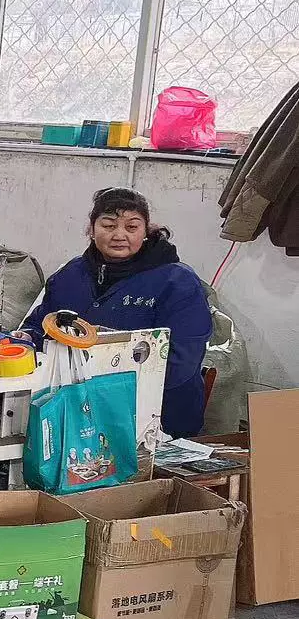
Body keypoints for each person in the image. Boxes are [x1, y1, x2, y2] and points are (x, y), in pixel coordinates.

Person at [18, 187, 212, 436]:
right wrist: (25, 339)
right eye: (108, 225)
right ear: (91, 229)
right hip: (74, 412)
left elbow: (181, 362)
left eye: (132, 227)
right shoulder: (69, 276)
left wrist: (103, 389)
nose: (119, 235)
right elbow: (42, 326)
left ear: (146, 231)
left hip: (155, 419)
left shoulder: (177, 283)